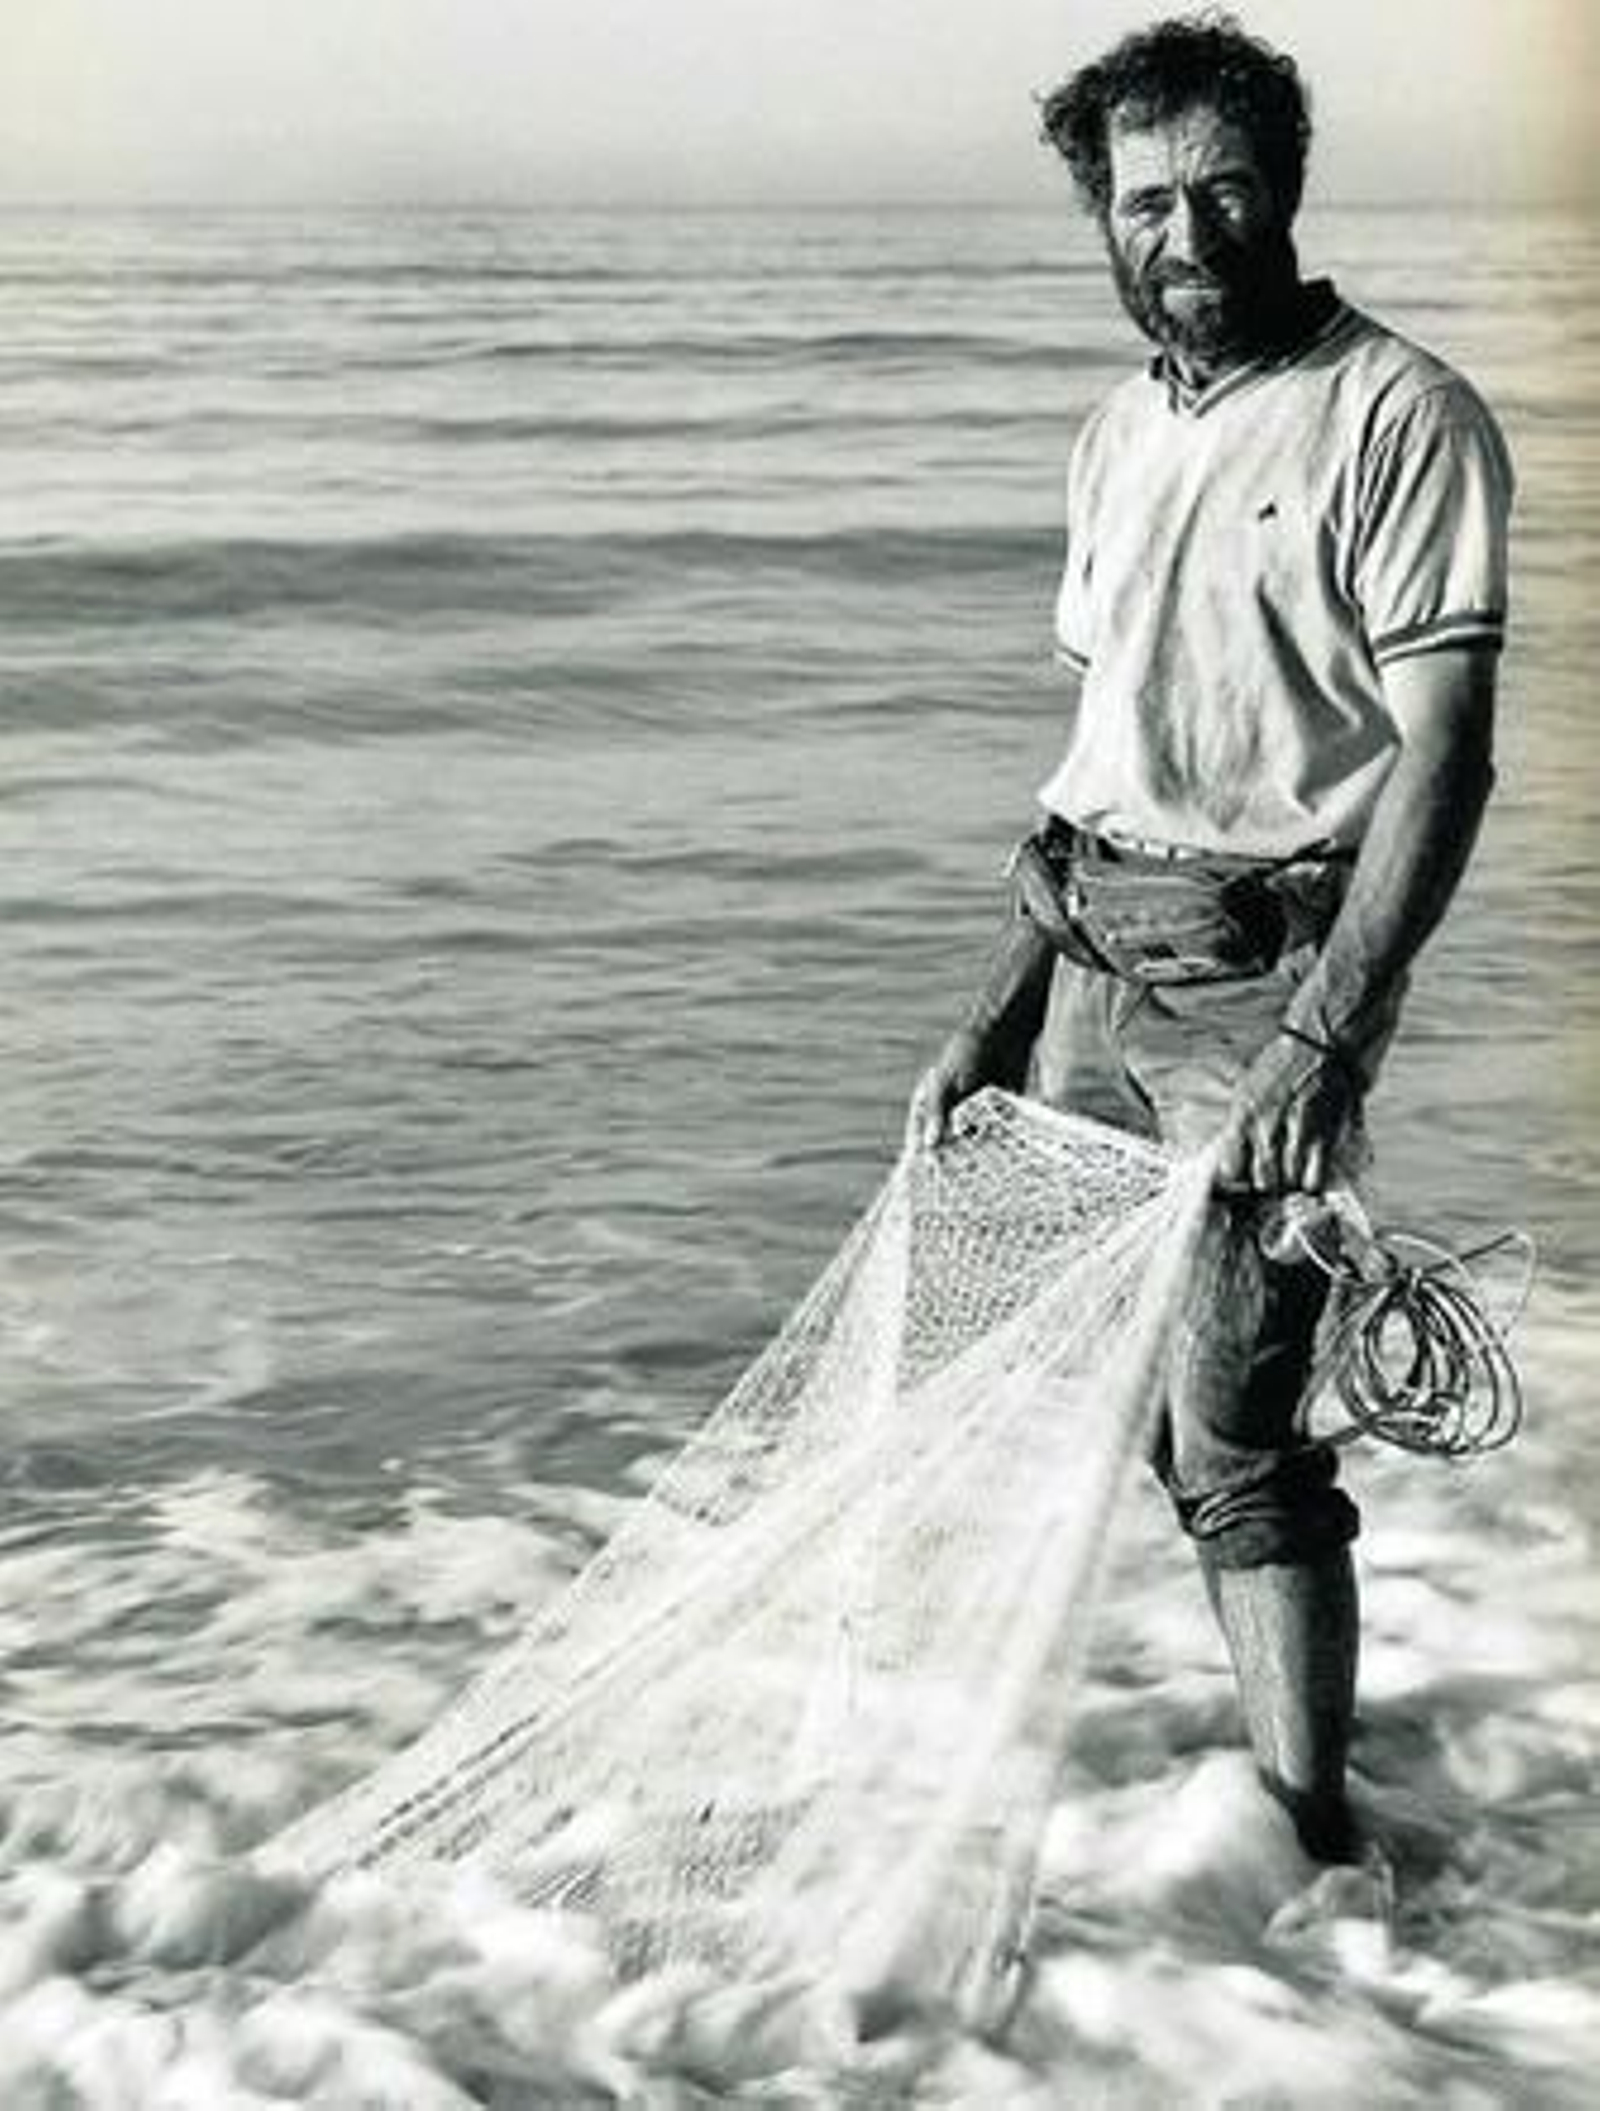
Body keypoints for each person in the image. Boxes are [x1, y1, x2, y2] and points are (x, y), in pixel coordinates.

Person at [909, 12, 1513, 1863]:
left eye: (1223, 189)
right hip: (1091, 956)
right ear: (1104, 212)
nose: (1186, 231)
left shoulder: (1397, 415)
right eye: (1146, 197)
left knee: (1242, 1438)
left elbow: (1448, 760)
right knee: (1119, 1414)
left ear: (1285, 193)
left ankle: (1314, 1847)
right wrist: (998, 1011)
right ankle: (1217, 1805)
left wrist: (1321, 1051)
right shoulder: (1112, 436)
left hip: (1262, 990)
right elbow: (1099, 765)